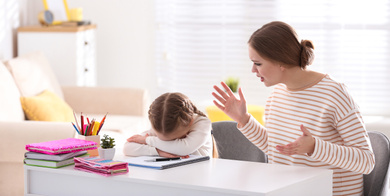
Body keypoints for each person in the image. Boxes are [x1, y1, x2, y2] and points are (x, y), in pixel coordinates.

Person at [212, 21, 374, 196]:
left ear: (281, 62)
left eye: (257, 63)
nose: (253, 70)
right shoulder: (276, 96)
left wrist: (314, 147)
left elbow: (366, 161)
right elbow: (279, 149)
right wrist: (243, 120)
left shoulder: (334, 94)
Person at [123, 92, 217, 158]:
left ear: (190, 123)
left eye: (172, 141)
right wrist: (158, 151)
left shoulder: (203, 123)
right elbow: (127, 148)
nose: (168, 145)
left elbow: (184, 148)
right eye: (163, 141)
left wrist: (146, 140)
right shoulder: (161, 124)